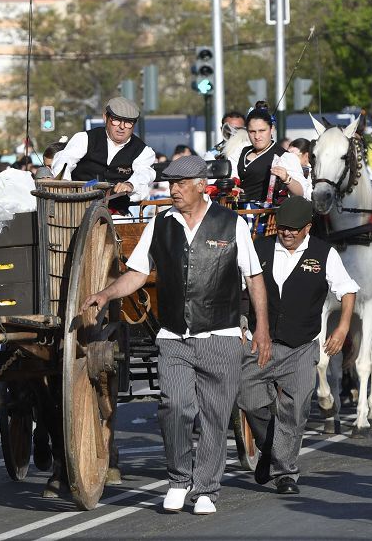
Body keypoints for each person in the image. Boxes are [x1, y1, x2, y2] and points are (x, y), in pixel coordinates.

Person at [82, 155, 270, 515]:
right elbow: (137, 273)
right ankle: (179, 479)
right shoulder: (160, 223)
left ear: (202, 185)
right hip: (174, 337)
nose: (174, 190)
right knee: (175, 407)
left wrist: (262, 328)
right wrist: (106, 293)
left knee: (215, 415)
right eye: (170, 184)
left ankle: (206, 490)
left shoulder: (233, 224)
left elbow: (255, 278)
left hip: (222, 335)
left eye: (181, 184)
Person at [239, 197, 358, 495]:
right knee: (247, 397)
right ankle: (270, 449)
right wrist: (241, 325)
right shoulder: (260, 248)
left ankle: (285, 474)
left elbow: (347, 290)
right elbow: (239, 287)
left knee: (295, 409)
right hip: (261, 342)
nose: (287, 234)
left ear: (307, 228)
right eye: (282, 228)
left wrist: (342, 328)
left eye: (294, 229)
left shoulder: (324, 253)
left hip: (301, 346)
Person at [51, 96, 156, 215]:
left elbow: (144, 173)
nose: (122, 127)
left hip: (116, 214)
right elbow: (64, 160)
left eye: (128, 122)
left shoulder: (143, 151)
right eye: (116, 120)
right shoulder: (85, 138)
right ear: (105, 117)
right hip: (77, 209)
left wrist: (130, 184)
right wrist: (65, 185)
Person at [228, 108, 310, 204]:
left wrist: (287, 179)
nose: (257, 136)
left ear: (272, 129)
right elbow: (230, 177)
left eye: (262, 130)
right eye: (252, 131)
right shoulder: (240, 151)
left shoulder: (284, 156)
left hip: (264, 216)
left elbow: (301, 192)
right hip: (235, 212)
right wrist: (233, 187)